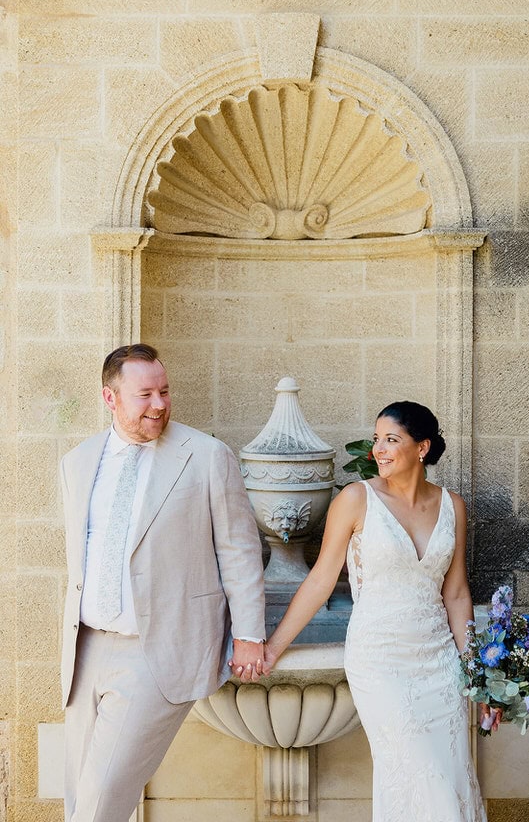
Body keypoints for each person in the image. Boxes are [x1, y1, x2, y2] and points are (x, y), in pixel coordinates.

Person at [60, 344, 266, 822]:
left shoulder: (207, 456)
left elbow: (238, 550)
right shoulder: (78, 461)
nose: (159, 404)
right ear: (111, 399)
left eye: (165, 391)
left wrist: (249, 634)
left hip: (158, 648)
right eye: (145, 394)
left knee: (101, 797)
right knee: (79, 792)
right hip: (85, 647)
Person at [264, 400, 495, 822]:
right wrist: (274, 646)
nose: (379, 451)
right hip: (381, 660)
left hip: (440, 662)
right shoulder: (357, 499)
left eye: (391, 440)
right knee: (420, 776)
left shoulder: (453, 507)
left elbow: (457, 594)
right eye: (376, 440)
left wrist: (477, 675)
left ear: (422, 447)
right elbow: (319, 580)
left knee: (452, 775)